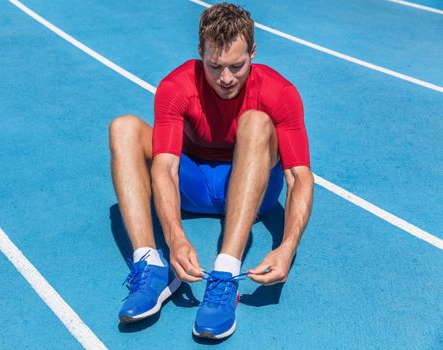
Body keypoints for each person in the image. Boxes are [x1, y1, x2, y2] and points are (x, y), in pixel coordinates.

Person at [109, 2, 314, 339]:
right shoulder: (176, 86)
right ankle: (151, 264)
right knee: (124, 127)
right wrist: (174, 238)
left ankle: (225, 273)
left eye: (237, 66)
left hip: (254, 190)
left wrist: (287, 247)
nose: (226, 78)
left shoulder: (280, 92)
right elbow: (165, 166)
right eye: (214, 66)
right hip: (195, 186)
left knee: (257, 122)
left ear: (253, 52)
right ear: (200, 52)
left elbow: (299, 176)